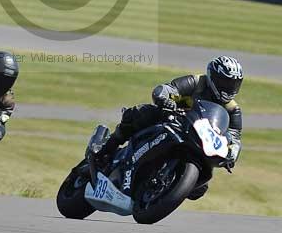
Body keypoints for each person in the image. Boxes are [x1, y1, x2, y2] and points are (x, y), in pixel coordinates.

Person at [93, 55, 244, 200]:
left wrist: (231, 154)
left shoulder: (233, 110)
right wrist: (167, 100)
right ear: (213, 77)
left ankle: (164, 188)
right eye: (224, 82)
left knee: (200, 188)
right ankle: (105, 150)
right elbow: (167, 89)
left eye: (233, 84)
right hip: (175, 120)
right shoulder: (197, 82)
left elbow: (234, 137)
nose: (229, 87)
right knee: (142, 113)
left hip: (200, 140)